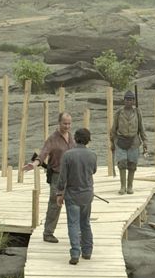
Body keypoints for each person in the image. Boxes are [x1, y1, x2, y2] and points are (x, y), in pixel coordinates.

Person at [21, 112, 75, 243]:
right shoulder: (52, 139)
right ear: (59, 123)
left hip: (71, 176)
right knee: (55, 204)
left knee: (73, 204)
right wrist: (34, 164)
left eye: (69, 123)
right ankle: (48, 233)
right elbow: (43, 153)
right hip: (57, 175)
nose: (67, 126)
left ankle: (74, 233)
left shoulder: (71, 137)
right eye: (64, 123)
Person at [56, 128, 98, 265]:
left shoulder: (68, 155)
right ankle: (87, 251)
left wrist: (59, 193)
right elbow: (94, 171)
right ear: (88, 140)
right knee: (85, 223)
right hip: (87, 194)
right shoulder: (93, 155)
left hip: (72, 194)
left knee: (73, 224)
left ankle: (75, 252)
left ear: (75, 139)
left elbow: (62, 178)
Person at [109, 91, 147, 194]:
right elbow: (113, 128)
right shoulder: (118, 112)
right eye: (127, 100)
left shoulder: (137, 112)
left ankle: (130, 186)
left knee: (132, 164)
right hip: (121, 141)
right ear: (124, 100)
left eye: (131, 100)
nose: (128, 102)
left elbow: (141, 128)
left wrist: (145, 142)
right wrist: (112, 142)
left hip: (134, 141)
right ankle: (122, 186)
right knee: (122, 163)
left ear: (134, 101)